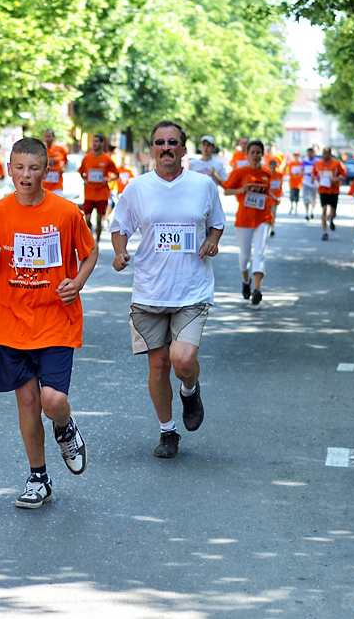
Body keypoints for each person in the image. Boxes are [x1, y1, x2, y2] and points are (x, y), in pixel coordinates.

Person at [0, 137, 98, 509]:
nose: (26, 175)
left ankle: (64, 426)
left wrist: (77, 282)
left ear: (46, 170)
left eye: (34, 168)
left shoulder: (65, 212)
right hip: (12, 324)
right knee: (27, 402)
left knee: (52, 401)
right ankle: (38, 477)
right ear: (9, 169)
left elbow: (89, 253)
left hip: (56, 319)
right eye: (19, 168)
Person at [110, 120, 225, 459]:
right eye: (160, 143)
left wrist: (212, 241)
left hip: (192, 289)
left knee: (183, 359)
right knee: (159, 365)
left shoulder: (203, 185)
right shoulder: (137, 187)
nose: (166, 148)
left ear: (183, 149)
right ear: (152, 150)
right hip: (149, 290)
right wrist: (120, 252)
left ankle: (190, 390)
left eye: (172, 142)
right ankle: (168, 431)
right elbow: (120, 227)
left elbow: (217, 224)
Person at [223, 141, 278, 305]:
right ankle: (246, 281)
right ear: (247, 155)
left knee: (259, 252)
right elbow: (226, 190)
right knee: (245, 256)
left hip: (263, 217)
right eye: (252, 152)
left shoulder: (266, 173)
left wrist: (274, 198)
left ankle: (257, 290)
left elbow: (266, 191)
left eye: (258, 152)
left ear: (262, 154)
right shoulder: (240, 172)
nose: (255, 155)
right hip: (244, 219)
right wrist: (242, 190)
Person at [78, 133, 118, 243]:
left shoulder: (106, 159)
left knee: (99, 220)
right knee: (87, 219)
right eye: (93, 141)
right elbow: (81, 171)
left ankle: (97, 242)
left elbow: (116, 174)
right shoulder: (87, 158)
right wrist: (85, 179)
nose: (94, 144)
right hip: (89, 193)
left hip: (102, 193)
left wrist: (108, 180)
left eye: (96, 141)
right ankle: (91, 240)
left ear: (102, 143)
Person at [313, 147, 345, 240]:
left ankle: (331, 218)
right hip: (323, 190)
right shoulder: (318, 163)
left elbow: (343, 175)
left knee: (333, 212)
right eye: (323, 153)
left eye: (326, 153)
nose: (324, 155)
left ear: (330, 154)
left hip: (334, 190)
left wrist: (335, 179)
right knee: (324, 209)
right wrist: (313, 178)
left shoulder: (337, 163)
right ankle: (325, 232)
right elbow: (313, 173)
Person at [42, 129, 69, 197]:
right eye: (45, 136)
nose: (47, 139)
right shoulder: (41, 150)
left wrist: (63, 169)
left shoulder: (61, 149)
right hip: (43, 186)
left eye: (49, 136)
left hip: (57, 186)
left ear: (53, 137)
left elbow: (66, 162)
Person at [266, 157, 284, 237]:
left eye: (274, 165)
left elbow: (280, 184)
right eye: (272, 165)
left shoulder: (279, 174)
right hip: (267, 196)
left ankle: (271, 228)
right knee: (267, 212)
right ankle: (266, 226)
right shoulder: (266, 174)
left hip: (275, 196)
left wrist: (280, 193)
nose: (273, 167)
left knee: (273, 212)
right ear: (269, 166)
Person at [301, 147, 318, 220]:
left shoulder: (317, 161)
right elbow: (302, 169)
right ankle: (307, 212)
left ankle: (312, 211)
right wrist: (301, 173)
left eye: (311, 153)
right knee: (306, 197)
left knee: (313, 198)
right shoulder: (304, 160)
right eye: (308, 153)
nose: (310, 154)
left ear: (313, 153)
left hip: (314, 182)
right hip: (306, 182)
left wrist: (315, 178)